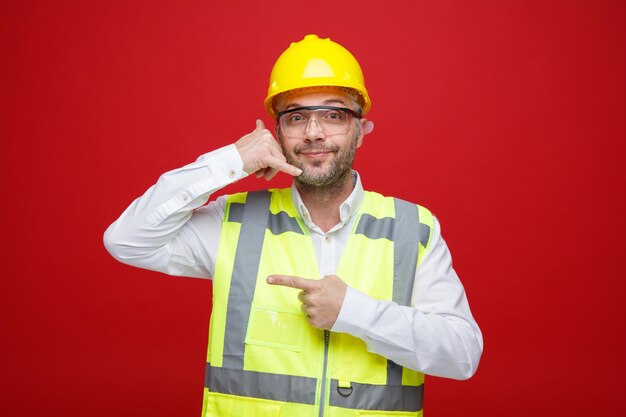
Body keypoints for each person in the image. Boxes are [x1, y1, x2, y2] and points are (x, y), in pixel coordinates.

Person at [104, 34, 482, 417]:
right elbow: (127, 240)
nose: (314, 133)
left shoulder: (413, 228)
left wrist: (354, 312)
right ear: (277, 133)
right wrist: (230, 161)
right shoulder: (234, 222)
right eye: (297, 117)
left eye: (334, 115)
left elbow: (462, 355)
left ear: (360, 130)